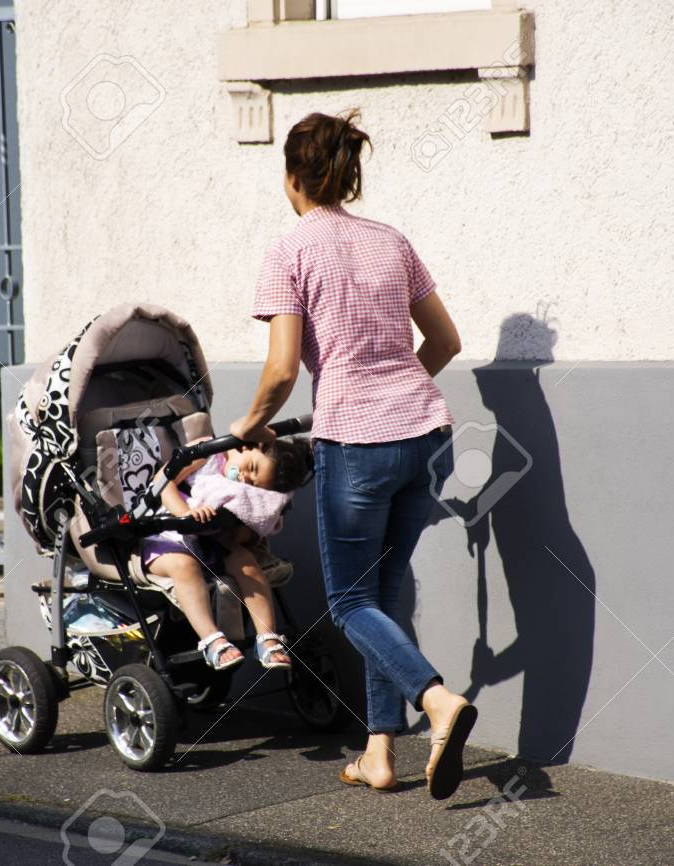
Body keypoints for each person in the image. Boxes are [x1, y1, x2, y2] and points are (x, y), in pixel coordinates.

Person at [229, 109, 478, 800]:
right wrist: (396, 391)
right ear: (347, 173)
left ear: (291, 179)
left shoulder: (290, 252)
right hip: (428, 436)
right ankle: (378, 753)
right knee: (382, 598)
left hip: (360, 447)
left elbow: (281, 371)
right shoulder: (391, 241)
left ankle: (435, 701)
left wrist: (251, 424)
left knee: (347, 602)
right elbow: (445, 342)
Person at [143, 436, 313, 671]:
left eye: (254, 485)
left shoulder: (242, 485)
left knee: (248, 564)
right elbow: (162, 483)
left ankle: (268, 638)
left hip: (211, 540)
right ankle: (213, 640)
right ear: (253, 444)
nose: (245, 478)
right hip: (166, 536)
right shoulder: (207, 453)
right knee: (184, 566)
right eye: (252, 467)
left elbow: (249, 523)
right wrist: (185, 514)